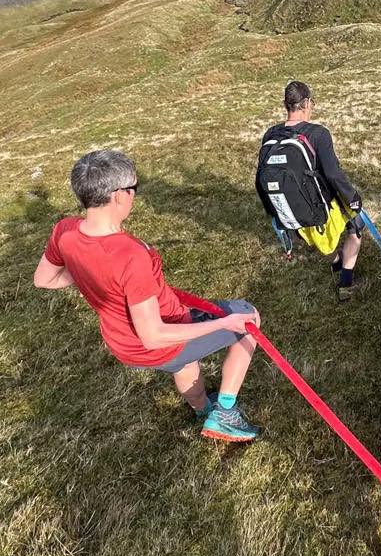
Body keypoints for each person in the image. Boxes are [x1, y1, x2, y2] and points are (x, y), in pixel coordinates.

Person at [33, 150, 263, 442]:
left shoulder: (64, 231)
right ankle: (225, 414)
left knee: (184, 362)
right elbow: (154, 336)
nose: (134, 196)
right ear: (119, 196)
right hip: (156, 344)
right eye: (134, 189)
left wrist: (90, 273)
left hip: (120, 343)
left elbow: (44, 279)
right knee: (247, 316)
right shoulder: (131, 256)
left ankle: (203, 410)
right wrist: (225, 323)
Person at [261, 81, 364, 302]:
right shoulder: (318, 134)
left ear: (285, 104)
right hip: (323, 208)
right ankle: (345, 282)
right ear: (307, 103)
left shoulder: (271, 134)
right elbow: (333, 174)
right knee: (356, 230)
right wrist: (353, 199)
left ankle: (335, 262)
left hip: (294, 212)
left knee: (322, 243)